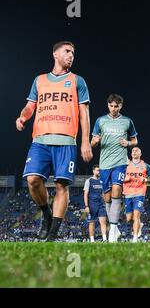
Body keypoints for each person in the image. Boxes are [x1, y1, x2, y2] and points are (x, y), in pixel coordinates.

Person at [16, 41, 93, 241]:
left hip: (66, 141)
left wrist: (85, 141)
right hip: (40, 140)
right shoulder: (40, 80)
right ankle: (47, 215)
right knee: (33, 180)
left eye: (73, 53)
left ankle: (52, 235)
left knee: (61, 186)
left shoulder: (78, 81)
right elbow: (30, 106)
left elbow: (84, 113)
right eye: (67, 51)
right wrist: (23, 117)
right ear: (55, 54)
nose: (71, 56)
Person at [91, 94, 138, 242]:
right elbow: (92, 142)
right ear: (108, 105)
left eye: (116, 106)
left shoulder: (127, 121)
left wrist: (129, 144)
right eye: (111, 106)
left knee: (117, 189)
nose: (113, 108)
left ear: (120, 106)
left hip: (120, 162)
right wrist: (95, 141)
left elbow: (135, 140)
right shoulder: (100, 121)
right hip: (105, 163)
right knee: (107, 196)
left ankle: (112, 230)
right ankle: (115, 227)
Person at [122, 147, 150, 243]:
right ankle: (139, 224)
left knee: (136, 216)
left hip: (140, 193)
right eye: (133, 151)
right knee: (128, 219)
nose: (134, 152)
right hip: (128, 193)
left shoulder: (146, 166)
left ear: (140, 154)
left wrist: (145, 180)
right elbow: (120, 178)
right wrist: (125, 179)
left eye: (137, 151)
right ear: (131, 154)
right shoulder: (126, 165)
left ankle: (135, 238)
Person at [83, 165, 107, 242]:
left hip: (100, 204)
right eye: (97, 170)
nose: (99, 172)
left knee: (103, 221)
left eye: (99, 170)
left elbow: (103, 193)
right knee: (92, 223)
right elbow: (85, 194)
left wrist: (106, 203)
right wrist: (86, 206)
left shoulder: (102, 181)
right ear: (93, 171)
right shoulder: (89, 181)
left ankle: (105, 239)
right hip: (92, 204)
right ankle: (92, 240)